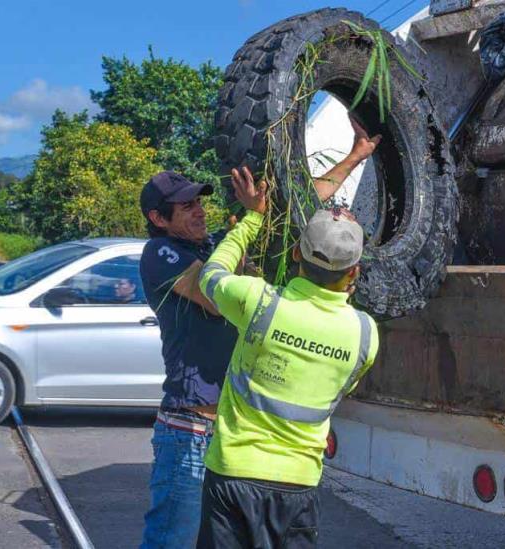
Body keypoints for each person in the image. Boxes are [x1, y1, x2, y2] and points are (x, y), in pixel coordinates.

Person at [138, 115, 380, 549]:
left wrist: (354, 157)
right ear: (158, 218)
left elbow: (300, 215)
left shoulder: (216, 244)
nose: (199, 210)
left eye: (199, 202)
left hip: (229, 437)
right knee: (171, 542)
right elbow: (212, 293)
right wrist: (248, 236)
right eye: (186, 206)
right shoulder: (160, 253)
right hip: (190, 429)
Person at [196, 167, 379, 548]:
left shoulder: (258, 302)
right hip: (298, 486)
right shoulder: (365, 335)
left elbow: (210, 274)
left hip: (233, 475)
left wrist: (252, 219)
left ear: (296, 253)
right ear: (354, 272)